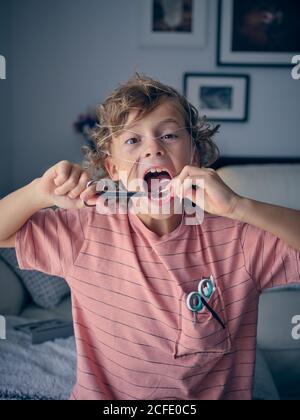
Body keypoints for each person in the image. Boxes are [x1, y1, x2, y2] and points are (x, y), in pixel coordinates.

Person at [0, 73, 299, 400]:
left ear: (194, 156)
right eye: (133, 140)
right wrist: (38, 193)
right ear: (113, 171)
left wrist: (239, 206)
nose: (153, 148)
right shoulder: (85, 229)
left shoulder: (237, 238)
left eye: (169, 135)